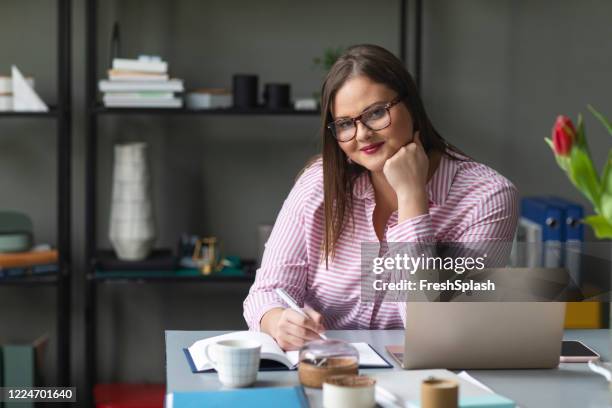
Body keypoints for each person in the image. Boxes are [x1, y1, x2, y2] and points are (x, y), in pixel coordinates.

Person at [243, 44, 518, 350]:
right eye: (345, 124)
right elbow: (266, 292)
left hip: (426, 382)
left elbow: (435, 328)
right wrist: (278, 321)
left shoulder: (487, 197)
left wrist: (412, 198)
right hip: (325, 373)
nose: (361, 134)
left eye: (375, 113)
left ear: (411, 105)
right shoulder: (318, 184)